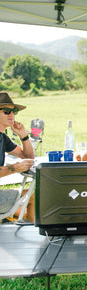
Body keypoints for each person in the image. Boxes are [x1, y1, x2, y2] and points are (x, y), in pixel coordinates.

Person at [0, 92, 34, 220]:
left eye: (14, 111)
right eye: (7, 111)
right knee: (32, 197)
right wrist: (15, 168)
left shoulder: (3, 137)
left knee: (27, 199)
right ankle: (35, 238)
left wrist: (23, 136)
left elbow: (28, 156)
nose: (12, 115)